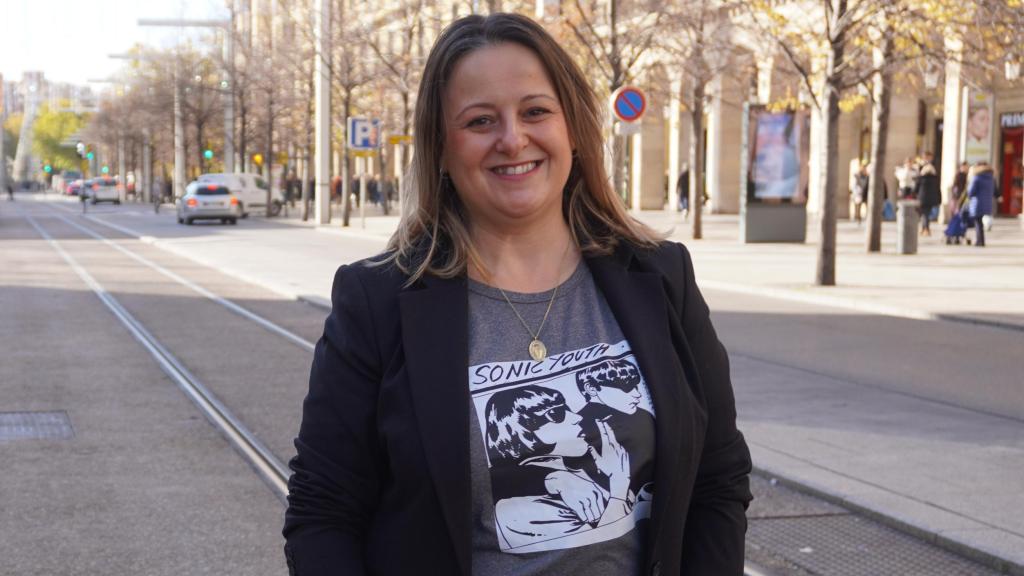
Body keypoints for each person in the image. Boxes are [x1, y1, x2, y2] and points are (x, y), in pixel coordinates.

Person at [283, 12, 751, 576]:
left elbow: (718, 476)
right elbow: (323, 512)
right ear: (441, 148)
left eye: (535, 111)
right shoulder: (378, 301)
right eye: (480, 121)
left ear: (571, 127)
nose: (513, 139)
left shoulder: (660, 276)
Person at [966, 162, 995, 247]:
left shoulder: (976, 177)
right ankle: (981, 240)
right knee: (980, 223)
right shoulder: (990, 178)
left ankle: (979, 241)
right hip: (987, 203)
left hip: (977, 203)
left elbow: (970, 192)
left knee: (978, 223)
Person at [914, 158, 940, 236]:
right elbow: (938, 190)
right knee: (926, 214)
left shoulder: (921, 178)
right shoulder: (935, 179)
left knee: (924, 214)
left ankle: (925, 229)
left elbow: (916, 189)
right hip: (931, 199)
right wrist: (939, 199)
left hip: (922, 199)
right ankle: (925, 228)